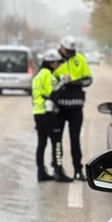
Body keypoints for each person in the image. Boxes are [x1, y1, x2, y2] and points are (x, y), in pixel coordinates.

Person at [53, 35, 92, 181]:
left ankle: (77, 170)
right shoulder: (54, 60)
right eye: (67, 50)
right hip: (59, 108)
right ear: (61, 47)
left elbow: (88, 78)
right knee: (57, 140)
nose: (69, 53)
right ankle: (57, 169)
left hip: (76, 107)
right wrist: (60, 82)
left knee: (75, 140)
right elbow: (47, 79)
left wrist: (77, 82)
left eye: (71, 50)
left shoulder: (79, 58)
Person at [33, 48, 73, 183]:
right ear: (52, 62)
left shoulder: (38, 75)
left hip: (38, 112)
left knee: (41, 144)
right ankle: (58, 171)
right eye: (57, 62)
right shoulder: (48, 75)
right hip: (48, 114)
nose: (59, 65)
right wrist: (63, 81)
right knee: (56, 142)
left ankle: (41, 172)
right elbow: (53, 93)